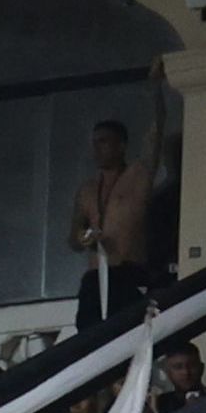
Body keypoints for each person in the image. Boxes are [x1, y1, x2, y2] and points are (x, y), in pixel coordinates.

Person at [70, 117, 160, 333]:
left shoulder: (137, 177)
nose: (97, 149)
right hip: (95, 277)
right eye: (94, 143)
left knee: (128, 334)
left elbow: (154, 140)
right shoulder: (87, 190)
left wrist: (157, 94)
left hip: (127, 272)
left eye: (103, 142)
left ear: (121, 146)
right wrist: (83, 238)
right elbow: (72, 238)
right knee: (88, 337)